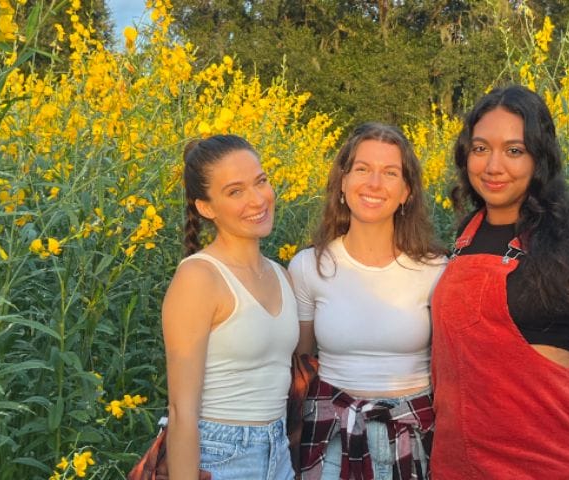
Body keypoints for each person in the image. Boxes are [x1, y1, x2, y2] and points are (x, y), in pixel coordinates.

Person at [430, 85, 569, 479]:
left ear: (540, 157)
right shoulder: (464, 237)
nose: (492, 167)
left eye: (513, 151)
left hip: (550, 463)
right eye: (480, 148)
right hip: (459, 464)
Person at [288, 123, 448, 480]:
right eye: (362, 169)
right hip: (329, 435)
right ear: (342, 182)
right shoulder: (308, 267)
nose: (374, 184)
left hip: (414, 435)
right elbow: (299, 362)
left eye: (390, 173)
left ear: (407, 191)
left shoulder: (436, 270)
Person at [162, 135, 298, 480]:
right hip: (219, 456)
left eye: (261, 181)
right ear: (206, 208)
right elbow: (181, 411)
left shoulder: (282, 275)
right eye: (236, 191)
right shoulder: (199, 277)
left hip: (278, 452)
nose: (258, 200)